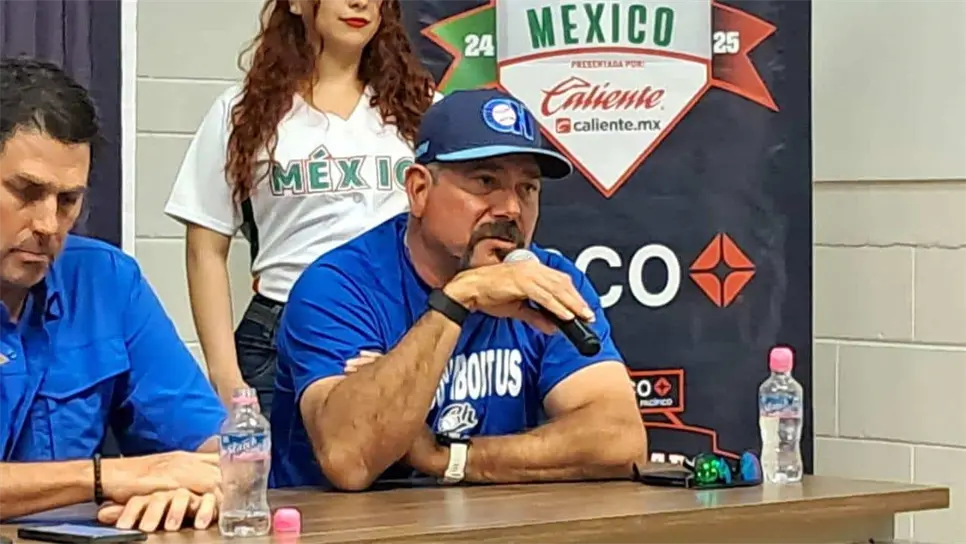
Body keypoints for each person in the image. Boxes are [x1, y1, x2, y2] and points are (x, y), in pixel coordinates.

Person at [270, 88, 648, 490]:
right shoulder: (339, 286)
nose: (511, 209)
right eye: (486, 181)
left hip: (489, 520)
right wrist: (458, 299)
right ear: (419, 190)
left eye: (527, 188)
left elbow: (621, 441)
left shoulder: (548, 280)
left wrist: (446, 457)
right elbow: (350, 460)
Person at [163, 0, 437, 415]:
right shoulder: (242, 112)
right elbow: (206, 247)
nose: (360, 2)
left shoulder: (423, 108)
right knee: (277, 462)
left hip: (397, 324)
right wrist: (226, 376)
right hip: (280, 333)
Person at [0, 58, 226, 532]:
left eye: (68, 201)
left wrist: (192, 489)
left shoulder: (107, 280)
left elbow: (213, 450)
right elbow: (141, 472)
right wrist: (110, 476)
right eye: (27, 192)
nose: (48, 225)